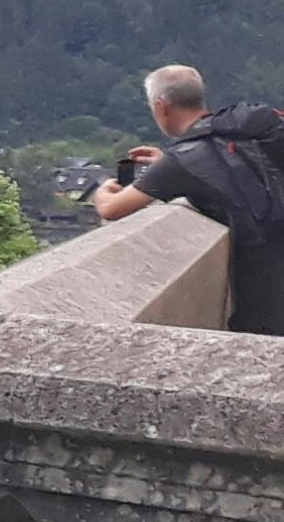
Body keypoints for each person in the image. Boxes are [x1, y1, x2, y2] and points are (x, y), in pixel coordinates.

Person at [94, 63, 284, 334]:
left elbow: (112, 209)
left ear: (161, 106)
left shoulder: (181, 161)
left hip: (267, 284)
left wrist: (102, 190)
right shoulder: (242, 130)